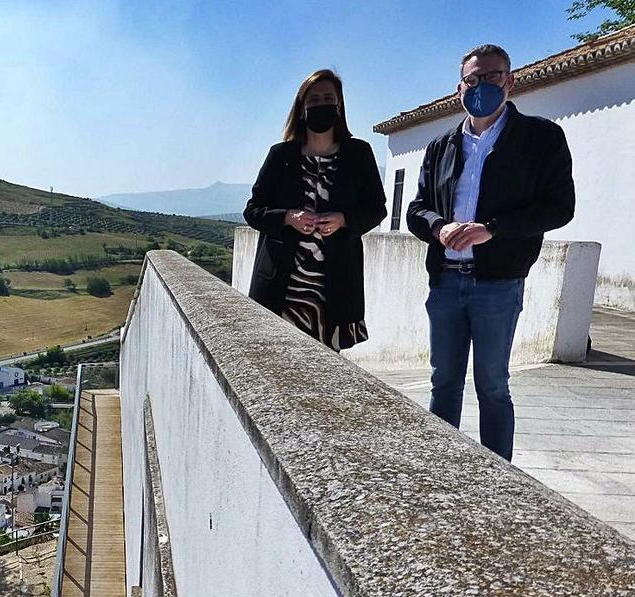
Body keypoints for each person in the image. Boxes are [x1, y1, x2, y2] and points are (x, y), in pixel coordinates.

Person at [407, 44, 574, 461]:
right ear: (459, 88)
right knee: (443, 382)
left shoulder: (540, 139)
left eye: (493, 76)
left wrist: (491, 231)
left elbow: (559, 208)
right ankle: (440, 470)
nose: (482, 85)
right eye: (473, 79)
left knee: (493, 386)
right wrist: (438, 226)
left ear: (510, 80)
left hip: (498, 283)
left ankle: (500, 478)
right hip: (445, 281)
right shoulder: (441, 146)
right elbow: (415, 209)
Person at [244, 69, 386, 351]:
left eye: (328, 98)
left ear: (339, 105)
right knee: (279, 366)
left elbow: (377, 208)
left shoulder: (359, 154)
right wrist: (287, 217)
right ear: (302, 107)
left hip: (335, 286)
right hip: (283, 288)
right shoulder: (280, 155)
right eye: (315, 98)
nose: (322, 104)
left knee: (325, 371)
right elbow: (253, 210)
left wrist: (344, 220)